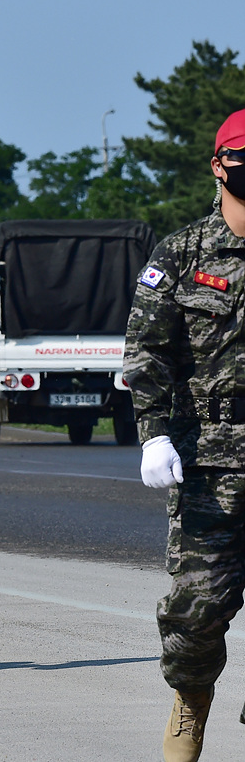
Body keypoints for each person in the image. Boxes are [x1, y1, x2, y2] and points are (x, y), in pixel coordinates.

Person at [125, 108, 245, 762]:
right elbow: (146, 349)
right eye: (243, 156)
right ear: (218, 164)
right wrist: (151, 435)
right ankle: (191, 699)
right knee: (197, 612)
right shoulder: (183, 252)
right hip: (208, 461)